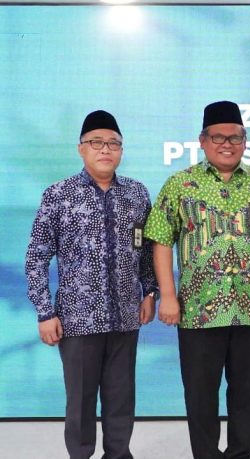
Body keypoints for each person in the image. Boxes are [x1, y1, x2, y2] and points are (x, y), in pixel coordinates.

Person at [144, 101, 250, 458]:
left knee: (248, 396)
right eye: (218, 137)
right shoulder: (180, 184)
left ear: (245, 141)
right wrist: (168, 296)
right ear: (202, 140)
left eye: (235, 137)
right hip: (198, 312)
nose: (227, 144)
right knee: (200, 397)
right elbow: (161, 240)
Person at [25, 110, 158, 459]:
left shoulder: (136, 194)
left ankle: (119, 454)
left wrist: (150, 292)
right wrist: (44, 312)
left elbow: (146, 250)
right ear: (81, 149)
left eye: (113, 143)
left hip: (125, 318)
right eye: (96, 142)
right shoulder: (59, 194)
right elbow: (37, 257)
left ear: (121, 150)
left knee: (121, 399)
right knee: (81, 403)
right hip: (77, 321)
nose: (105, 149)